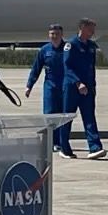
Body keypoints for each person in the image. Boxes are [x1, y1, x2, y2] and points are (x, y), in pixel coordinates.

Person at [61, 18, 106, 159]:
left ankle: (95, 147)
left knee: (89, 117)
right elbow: (67, 67)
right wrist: (78, 83)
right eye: (91, 28)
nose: (93, 32)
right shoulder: (71, 45)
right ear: (82, 27)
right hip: (72, 87)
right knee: (67, 117)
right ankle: (65, 148)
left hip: (88, 88)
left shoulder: (92, 46)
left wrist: (92, 86)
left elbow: (91, 69)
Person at [26, 23, 72, 156]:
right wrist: (29, 85)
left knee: (63, 116)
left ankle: (61, 142)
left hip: (65, 86)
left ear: (62, 34)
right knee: (50, 115)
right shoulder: (44, 50)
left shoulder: (68, 49)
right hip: (50, 87)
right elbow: (36, 68)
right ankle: (51, 142)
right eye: (52, 34)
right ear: (49, 35)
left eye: (57, 34)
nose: (55, 36)